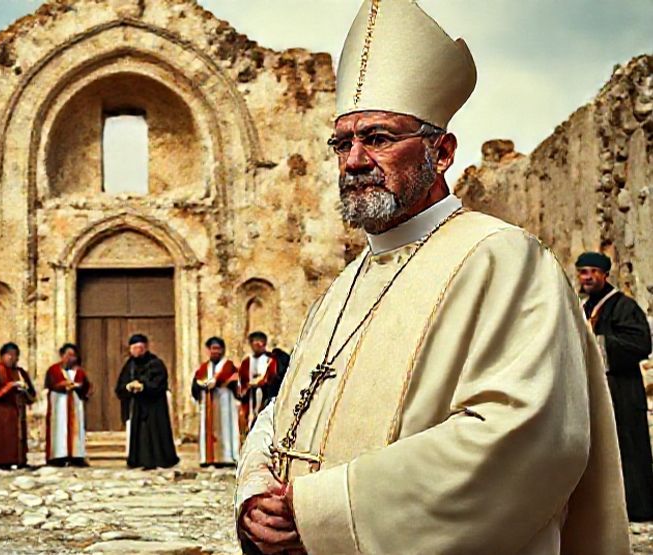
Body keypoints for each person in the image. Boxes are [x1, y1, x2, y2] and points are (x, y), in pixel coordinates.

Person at [235, 2, 629, 553]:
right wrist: (255, 491)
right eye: (342, 143)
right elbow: (286, 405)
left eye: (377, 137)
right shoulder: (345, 283)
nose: (353, 160)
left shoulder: (504, 259)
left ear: (441, 153)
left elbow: (528, 441)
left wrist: (320, 511)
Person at [577, 251, 653, 522]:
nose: (587, 277)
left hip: (623, 392)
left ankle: (637, 509)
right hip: (598, 393)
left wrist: (600, 344)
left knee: (629, 450)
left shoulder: (624, 307)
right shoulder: (584, 307)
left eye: (592, 272)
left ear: (604, 275)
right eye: (583, 272)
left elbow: (641, 343)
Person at [115, 334, 178, 470]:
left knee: (155, 433)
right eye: (134, 348)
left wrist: (143, 386)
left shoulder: (156, 363)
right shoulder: (129, 366)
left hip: (154, 406)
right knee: (138, 434)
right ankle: (137, 460)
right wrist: (128, 387)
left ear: (145, 348)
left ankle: (159, 459)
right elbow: (120, 386)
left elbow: (159, 383)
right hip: (136, 406)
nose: (137, 351)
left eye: (140, 348)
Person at [0, 342, 35, 470]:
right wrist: (9, 386)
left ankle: (18, 459)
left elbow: (31, 393)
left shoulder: (20, 372)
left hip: (17, 410)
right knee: (1, 435)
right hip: (0, 411)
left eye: (15, 355)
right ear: (2, 356)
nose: (12, 358)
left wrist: (24, 389)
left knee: (17, 436)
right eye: (8, 355)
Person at [190, 337, 240, 467]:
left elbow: (234, 380)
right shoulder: (204, 368)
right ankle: (208, 458)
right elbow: (196, 382)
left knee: (226, 427)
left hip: (225, 401)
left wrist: (218, 382)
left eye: (218, 349)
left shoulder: (228, 365)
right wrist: (201, 386)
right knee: (207, 429)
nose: (215, 352)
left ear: (222, 350)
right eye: (213, 349)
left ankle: (227, 457)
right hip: (208, 401)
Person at [44, 343, 92, 467]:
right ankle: (58, 456)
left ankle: (76, 455)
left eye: (73, 356)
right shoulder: (53, 370)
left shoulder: (79, 372)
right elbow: (50, 384)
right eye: (68, 355)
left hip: (75, 403)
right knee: (59, 428)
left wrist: (79, 387)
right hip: (59, 403)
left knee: (76, 429)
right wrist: (62, 385)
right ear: (62, 355)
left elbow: (86, 387)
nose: (70, 358)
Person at [236, 331, 278, 433]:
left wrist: (261, 382)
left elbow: (272, 376)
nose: (258, 345)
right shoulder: (247, 362)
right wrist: (246, 387)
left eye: (261, 342)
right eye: (255, 342)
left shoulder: (270, 360)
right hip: (250, 396)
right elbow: (242, 379)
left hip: (265, 395)